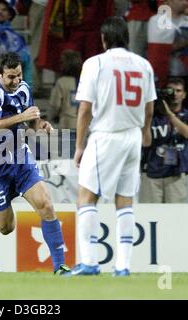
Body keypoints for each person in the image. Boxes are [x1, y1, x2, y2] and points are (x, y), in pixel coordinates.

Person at [0, 52, 71, 276]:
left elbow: (31, 121)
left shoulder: (23, 88)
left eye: (19, 75)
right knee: (6, 228)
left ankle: (60, 266)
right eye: (10, 77)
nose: (16, 81)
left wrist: (41, 125)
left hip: (20, 158)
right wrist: (21, 118)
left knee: (46, 204)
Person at [72, 16, 156, 276]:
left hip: (106, 135)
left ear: (104, 38)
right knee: (125, 200)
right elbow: (149, 107)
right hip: (132, 137)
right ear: (127, 38)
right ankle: (123, 267)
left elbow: (85, 108)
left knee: (86, 196)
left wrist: (79, 145)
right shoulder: (144, 65)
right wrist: (144, 133)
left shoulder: (95, 63)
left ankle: (89, 262)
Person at [139, 77, 188, 203]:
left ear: (184, 94)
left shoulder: (186, 115)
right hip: (151, 173)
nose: (175, 94)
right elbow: (145, 142)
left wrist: (169, 115)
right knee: (149, 216)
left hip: (176, 175)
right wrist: (149, 113)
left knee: (176, 217)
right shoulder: (153, 116)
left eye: (178, 91)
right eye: (170, 91)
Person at [48, 50, 82, 130]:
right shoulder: (86, 81)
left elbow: (54, 106)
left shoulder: (61, 82)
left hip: (66, 125)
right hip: (84, 126)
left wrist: (49, 118)